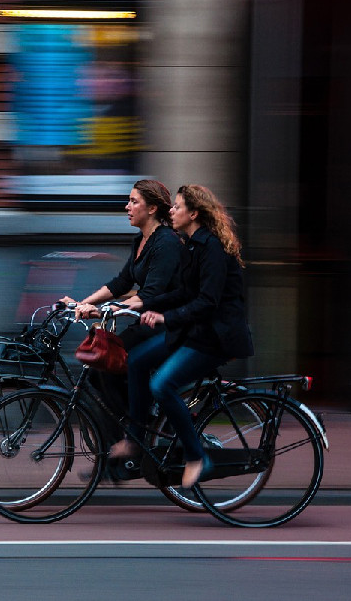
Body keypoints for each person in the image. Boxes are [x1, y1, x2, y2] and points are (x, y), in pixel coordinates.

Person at [111, 184, 254, 489]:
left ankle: (197, 456)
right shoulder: (191, 244)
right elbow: (185, 292)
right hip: (193, 331)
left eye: (177, 207)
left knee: (162, 385)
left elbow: (207, 301)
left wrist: (165, 317)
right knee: (135, 360)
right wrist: (145, 303)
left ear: (194, 213)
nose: (171, 211)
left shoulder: (211, 247)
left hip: (215, 337)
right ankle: (136, 439)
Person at [60, 179, 183, 443]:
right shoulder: (141, 240)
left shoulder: (167, 243)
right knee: (99, 369)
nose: (126, 206)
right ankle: (128, 435)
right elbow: (121, 283)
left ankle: (138, 430)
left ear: (151, 209)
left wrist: (109, 310)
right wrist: (84, 302)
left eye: (133, 201)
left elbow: (150, 295)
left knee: (107, 366)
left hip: (167, 326)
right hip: (145, 324)